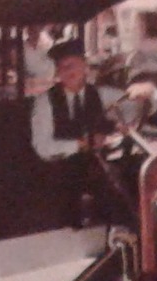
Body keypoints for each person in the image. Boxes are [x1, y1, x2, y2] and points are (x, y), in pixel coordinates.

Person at [30, 38, 118, 228]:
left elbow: (134, 103)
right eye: (62, 67)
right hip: (60, 170)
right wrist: (80, 143)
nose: (68, 71)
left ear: (85, 67)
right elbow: (43, 147)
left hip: (98, 167)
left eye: (73, 65)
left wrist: (148, 92)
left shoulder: (103, 95)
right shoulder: (45, 103)